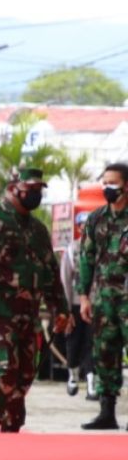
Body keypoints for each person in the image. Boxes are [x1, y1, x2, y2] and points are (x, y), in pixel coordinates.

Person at [0, 167, 69, 432]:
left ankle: (13, 428)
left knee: (25, 373)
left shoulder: (37, 229)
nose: (35, 194)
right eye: (30, 189)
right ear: (13, 188)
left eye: (38, 190)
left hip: (29, 312)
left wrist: (61, 308)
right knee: (3, 370)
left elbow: (50, 271)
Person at [77, 163, 128, 430]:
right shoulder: (96, 218)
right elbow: (86, 259)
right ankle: (107, 412)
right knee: (105, 353)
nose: (108, 187)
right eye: (105, 182)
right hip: (105, 299)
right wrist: (84, 296)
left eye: (113, 183)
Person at [58, 211, 96, 400]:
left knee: (92, 342)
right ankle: (72, 375)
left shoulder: (100, 247)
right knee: (74, 340)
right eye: (82, 224)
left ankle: (91, 382)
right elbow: (65, 278)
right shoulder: (72, 249)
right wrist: (65, 308)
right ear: (78, 227)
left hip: (95, 302)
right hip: (74, 303)